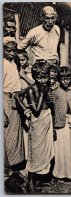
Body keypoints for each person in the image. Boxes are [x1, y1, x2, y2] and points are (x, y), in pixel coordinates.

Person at [17, 62, 54, 192]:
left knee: (45, 152)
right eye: (40, 77)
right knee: (36, 152)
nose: (43, 80)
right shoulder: (32, 89)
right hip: (38, 121)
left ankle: (38, 181)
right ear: (34, 76)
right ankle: (31, 182)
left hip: (47, 119)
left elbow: (49, 104)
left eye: (45, 77)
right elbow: (37, 110)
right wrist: (43, 94)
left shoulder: (46, 86)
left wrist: (48, 97)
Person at [3, 38, 25, 177]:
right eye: (8, 50)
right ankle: (5, 168)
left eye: (14, 51)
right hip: (5, 100)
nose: (11, 53)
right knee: (6, 137)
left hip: (14, 100)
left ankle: (12, 166)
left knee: (14, 135)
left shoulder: (13, 63)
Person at [51, 67, 71, 181]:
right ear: (59, 79)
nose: (66, 81)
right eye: (63, 79)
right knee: (60, 149)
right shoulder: (55, 92)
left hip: (70, 122)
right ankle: (59, 174)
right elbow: (52, 110)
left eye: (68, 78)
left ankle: (69, 173)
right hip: (59, 123)